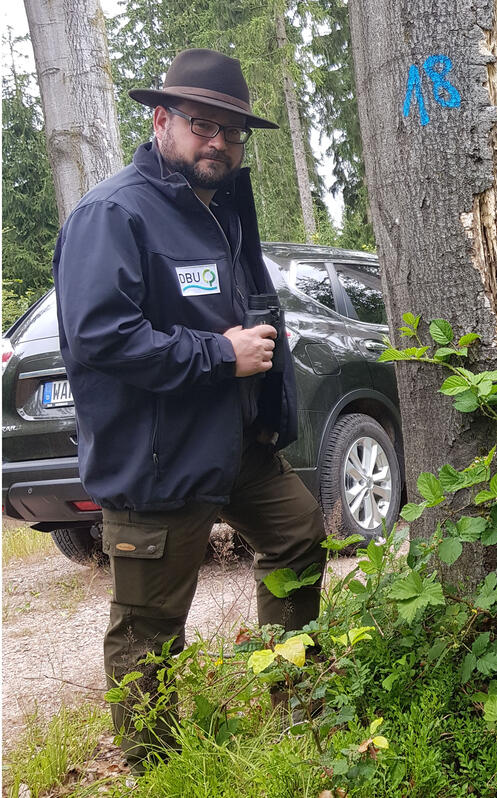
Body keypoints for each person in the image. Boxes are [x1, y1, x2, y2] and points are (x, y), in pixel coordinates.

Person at [52, 49, 327, 769]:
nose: (218, 143)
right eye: (203, 125)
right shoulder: (114, 213)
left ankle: (293, 704)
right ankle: (157, 765)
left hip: (237, 446)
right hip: (157, 457)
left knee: (298, 535)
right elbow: (99, 337)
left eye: (232, 132)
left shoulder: (222, 210)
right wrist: (218, 356)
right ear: (161, 121)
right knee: (149, 624)